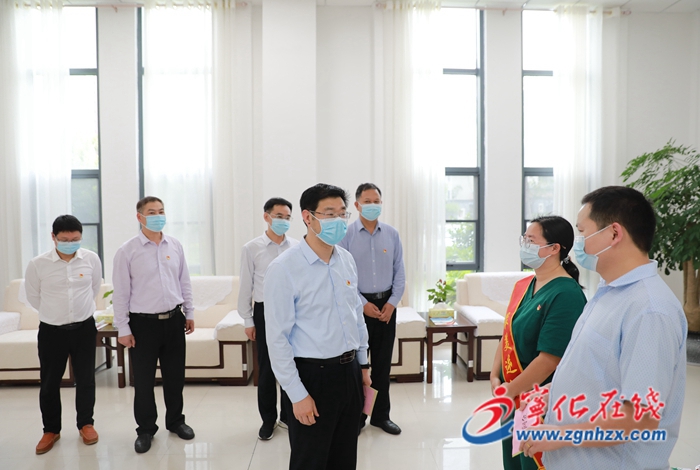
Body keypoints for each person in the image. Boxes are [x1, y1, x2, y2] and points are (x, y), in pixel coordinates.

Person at [520, 186, 687, 470]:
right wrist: (553, 393)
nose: (579, 243)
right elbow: (597, 372)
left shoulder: (649, 310)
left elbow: (641, 417)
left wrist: (561, 435)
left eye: (583, 232)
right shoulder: (609, 292)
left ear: (613, 234)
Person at [264, 183, 371, 470]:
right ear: (307, 217)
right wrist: (297, 395)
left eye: (342, 213)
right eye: (329, 213)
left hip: (349, 373)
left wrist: (363, 366)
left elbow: (356, 316)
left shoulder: (346, 259)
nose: (338, 220)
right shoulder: (284, 268)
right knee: (310, 460)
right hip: (313, 376)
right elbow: (277, 339)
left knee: (344, 457)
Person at [490, 215, 587, 470]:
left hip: (539, 403)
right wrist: (494, 375)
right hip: (512, 398)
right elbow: (508, 333)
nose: (525, 245)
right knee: (514, 463)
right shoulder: (524, 285)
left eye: (531, 241)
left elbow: (549, 359)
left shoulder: (566, 294)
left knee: (533, 462)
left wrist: (510, 390)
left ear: (554, 248)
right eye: (524, 239)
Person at [112, 196, 196, 454]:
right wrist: (123, 328)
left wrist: (190, 312)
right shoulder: (127, 251)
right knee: (144, 381)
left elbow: (184, 281)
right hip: (143, 325)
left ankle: (176, 421)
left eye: (161, 211)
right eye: (152, 212)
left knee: (175, 377)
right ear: (140, 217)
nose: (158, 216)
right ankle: (146, 429)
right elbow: (121, 293)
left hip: (174, 320)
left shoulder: (175, 245)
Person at [25, 215, 103, 455]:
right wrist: (56, 314)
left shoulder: (91, 259)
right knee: (50, 383)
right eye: (65, 239)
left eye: (75, 239)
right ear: (53, 237)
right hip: (52, 331)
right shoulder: (38, 264)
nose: (71, 243)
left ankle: (86, 424)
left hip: (84, 329)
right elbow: (33, 297)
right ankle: (51, 430)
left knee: (86, 379)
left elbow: (94, 288)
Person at [337, 183, 405, 435]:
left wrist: (392, 303)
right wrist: (362, 304)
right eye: (367, 201)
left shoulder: (392, 234)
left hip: (386, 306)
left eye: (376, 201)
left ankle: (380, 416)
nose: (372, 205)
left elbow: (400, 273)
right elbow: (342, 276)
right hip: (357, 306)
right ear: (357, 205)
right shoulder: (346, 235)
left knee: (382, 366)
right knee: (358, 367)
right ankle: (357, 417)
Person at [238, 197, 299, 440]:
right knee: (266, 369)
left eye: (287, 217)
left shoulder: (296, 246)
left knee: (291, 364)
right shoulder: (252, 248)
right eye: (279, 216)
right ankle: (268, 420)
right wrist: (248, 320)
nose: (283, 221)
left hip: (291, 311)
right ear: (267, 217)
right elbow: (246, 287)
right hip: (264, 312)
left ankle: (287, 416)